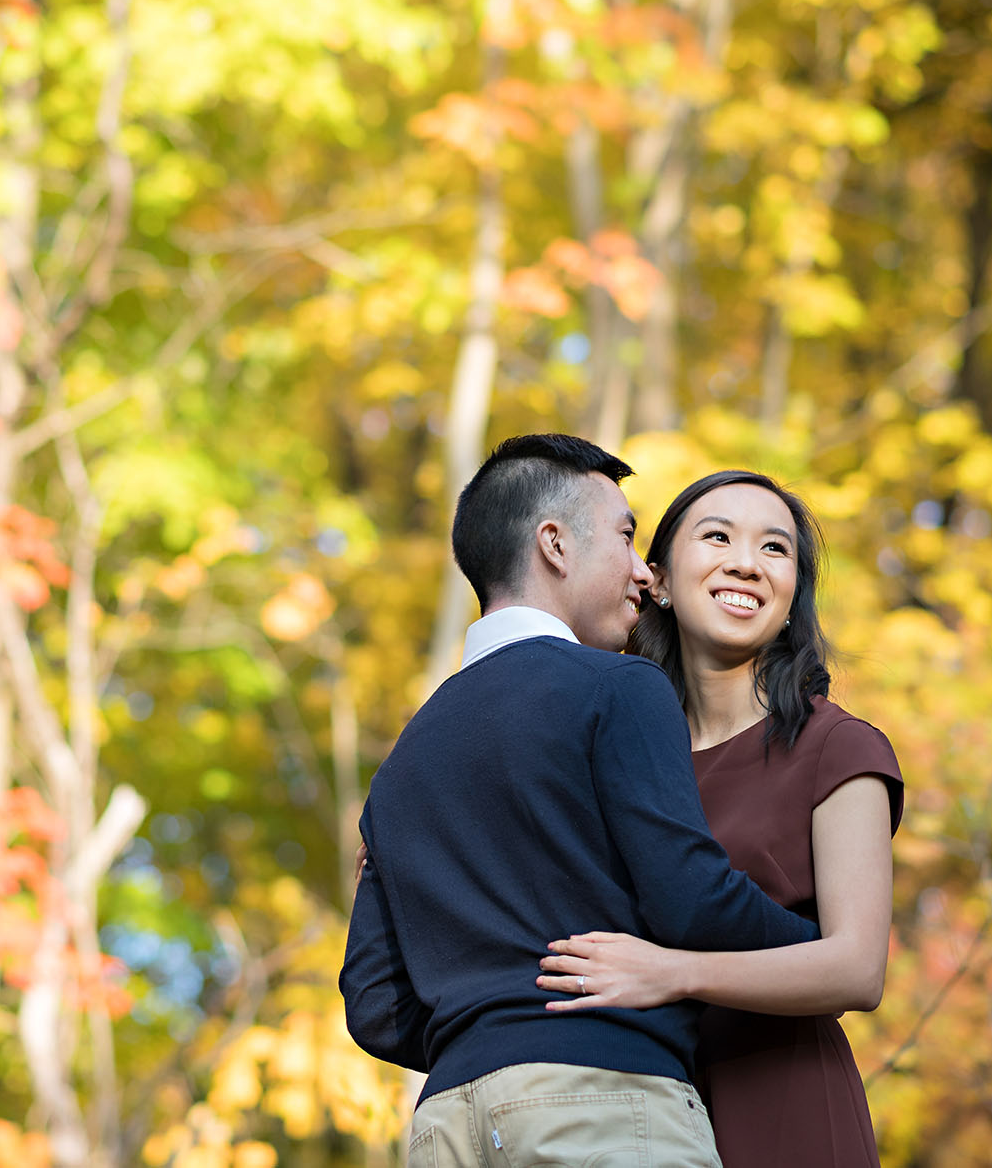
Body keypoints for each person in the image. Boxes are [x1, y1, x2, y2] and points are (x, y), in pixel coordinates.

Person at [340, 435, 821, 1167]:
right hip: (601, 1100)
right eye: (626, 536)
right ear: (555, 545)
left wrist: (489, 1030)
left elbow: (373, 1002)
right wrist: (810, 951)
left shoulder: (401, 762)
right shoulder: (617, 687)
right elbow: (690, 898)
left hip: (446, 1124)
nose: (641, 571)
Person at [532, 469, 904, 1167]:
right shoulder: (618, 756)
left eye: (774, 548)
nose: (745, 561)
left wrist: (674, 972)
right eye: (718, 536)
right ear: (659, 581)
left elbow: (858, 968)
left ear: (794, 595)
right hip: (627, 1114)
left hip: (786, 1108)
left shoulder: (838, 746)